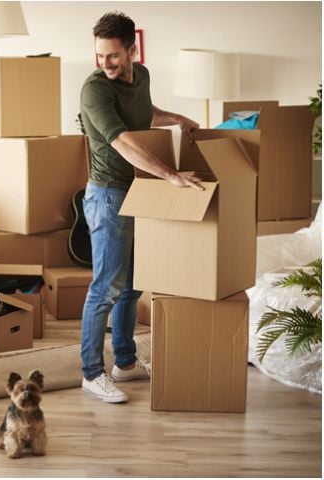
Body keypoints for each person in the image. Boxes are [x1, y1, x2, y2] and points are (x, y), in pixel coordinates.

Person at [78, 11, 204, 403]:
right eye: (100, 56)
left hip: (137, 192)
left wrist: (176, 118)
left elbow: (142, 114)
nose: (105, 64)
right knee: (106, 288)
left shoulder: (142, 75)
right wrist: (170, 175)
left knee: (132, 287)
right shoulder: (94, 89)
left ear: (133, 50)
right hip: (108, 196)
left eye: (113, 55)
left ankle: (125, 363)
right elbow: (123, 141)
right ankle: (91, 372)